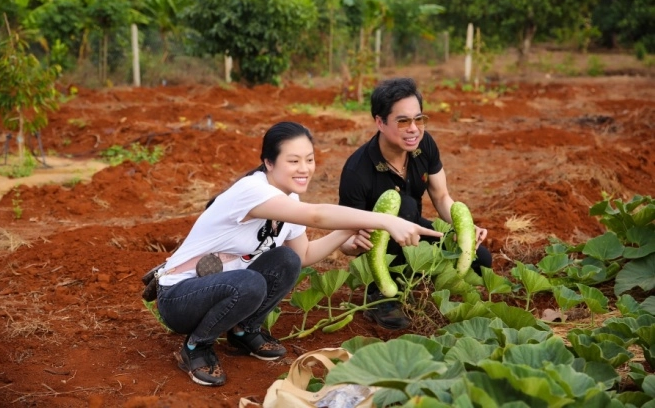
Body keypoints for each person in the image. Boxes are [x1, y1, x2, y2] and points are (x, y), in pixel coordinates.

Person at [155, 121, 441, 387]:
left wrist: (348, 232)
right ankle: (196, 347)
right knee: (251, 283)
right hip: (179, 299)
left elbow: (303, 255)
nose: (304, 168)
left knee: (287, 260)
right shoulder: (252, 191)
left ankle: (244, 331)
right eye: (293, 161)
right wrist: (385, 220)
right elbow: (316, 215)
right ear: (269, 162)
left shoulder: (289, 200)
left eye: (309, 159)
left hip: (222, 289)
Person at [338, 77, 493, 330]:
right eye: (403, 121)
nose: (414, 129)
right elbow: (344, 235)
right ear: (380, 122)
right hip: (378, 249)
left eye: (418, 119)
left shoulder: (424, 145)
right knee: (405, 206)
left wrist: (463, 229)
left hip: (413, 231)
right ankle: (380, 294)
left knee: (481, 259)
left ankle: (418, 279)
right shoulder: (358, 171)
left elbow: (441, 196)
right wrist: (352, 245)